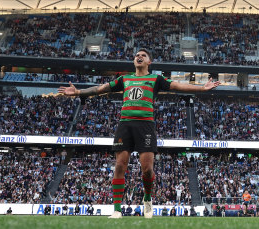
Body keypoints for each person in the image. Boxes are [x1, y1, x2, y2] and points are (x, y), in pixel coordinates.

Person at [58, 48, 220, 219]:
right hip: (125, 124)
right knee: (120, 165)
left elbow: (177, 86)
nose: (139, 57)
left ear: (149, 62)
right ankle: (117, 210)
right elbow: (101, 89)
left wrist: (201, 88)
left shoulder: (156, 79)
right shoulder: (124, 79)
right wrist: (78, 92)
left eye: (143, 55)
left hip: (145, 126)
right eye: (137, 55)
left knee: (147, 170)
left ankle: (147, 199)